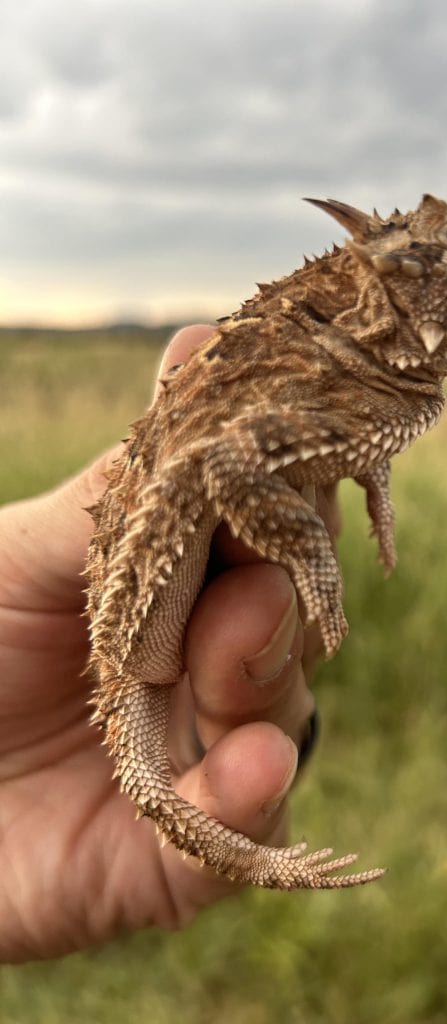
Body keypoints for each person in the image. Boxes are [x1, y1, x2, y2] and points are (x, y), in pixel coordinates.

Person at [0, 325, 329, 963]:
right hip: (131, 622)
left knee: (250, 624)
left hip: (148, 616)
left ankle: (269, 853)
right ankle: (274, 863)